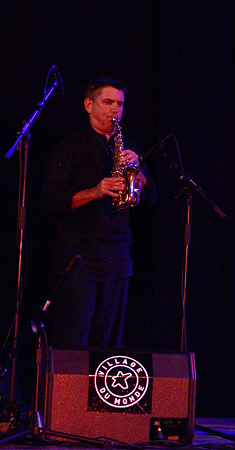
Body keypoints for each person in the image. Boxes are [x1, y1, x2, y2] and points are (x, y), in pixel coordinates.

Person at [42, 77, 156, 348]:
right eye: (107, 103)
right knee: (74, 347)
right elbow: (50, 202)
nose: (115, 110)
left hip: (118, 259)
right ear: (88, 105)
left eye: (120, 104)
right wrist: (96, 191)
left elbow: (148, 202)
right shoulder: (69, 147)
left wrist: (139, 174)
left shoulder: (131, 148)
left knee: (107, 348)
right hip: (79, 260)